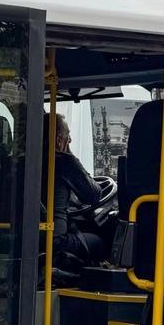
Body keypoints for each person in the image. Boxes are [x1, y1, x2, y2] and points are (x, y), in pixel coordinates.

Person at [47, 113, 106, 270]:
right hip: (54, 241)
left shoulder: (20, 161)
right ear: (59, 140)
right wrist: (68, 154)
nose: (70, 140)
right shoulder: (63, 161)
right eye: (68, 136)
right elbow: (94, 195)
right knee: (98, 242)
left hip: (21, 237)